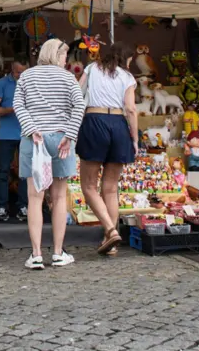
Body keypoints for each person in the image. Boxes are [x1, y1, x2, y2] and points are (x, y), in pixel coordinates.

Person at [14, 38, 85, 270]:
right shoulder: (67, 78)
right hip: (60, 139)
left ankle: (35, 254)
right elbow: (79, 106)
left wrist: (31, 128)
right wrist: (70, 134)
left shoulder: (27, 76)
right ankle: (57, 253)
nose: (67, 60)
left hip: (33, 140)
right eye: (64, 56)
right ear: (56, 55)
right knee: (59, 198)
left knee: (35, 198)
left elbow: (18, 105)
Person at [76, 43, 139, 256]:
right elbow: (130, 109)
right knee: (111, 188)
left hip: (94, 120)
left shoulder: (92, 68)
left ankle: (111, 231)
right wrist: (135, 138)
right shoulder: (128, 77)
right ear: (124, 59)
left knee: (89, 186)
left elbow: (77, 93)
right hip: (119, 124)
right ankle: (110, 241)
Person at [0, 61, 27, 221]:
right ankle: (2, 207)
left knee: (26, 173)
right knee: (3, 171)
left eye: (23, 72)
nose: (21, 76)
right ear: (12, 69)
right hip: (6, 134)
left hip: (27, 134)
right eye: (18, 72)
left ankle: (24, 206)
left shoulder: (30, 82)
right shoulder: (2, 83)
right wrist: (12, 109)